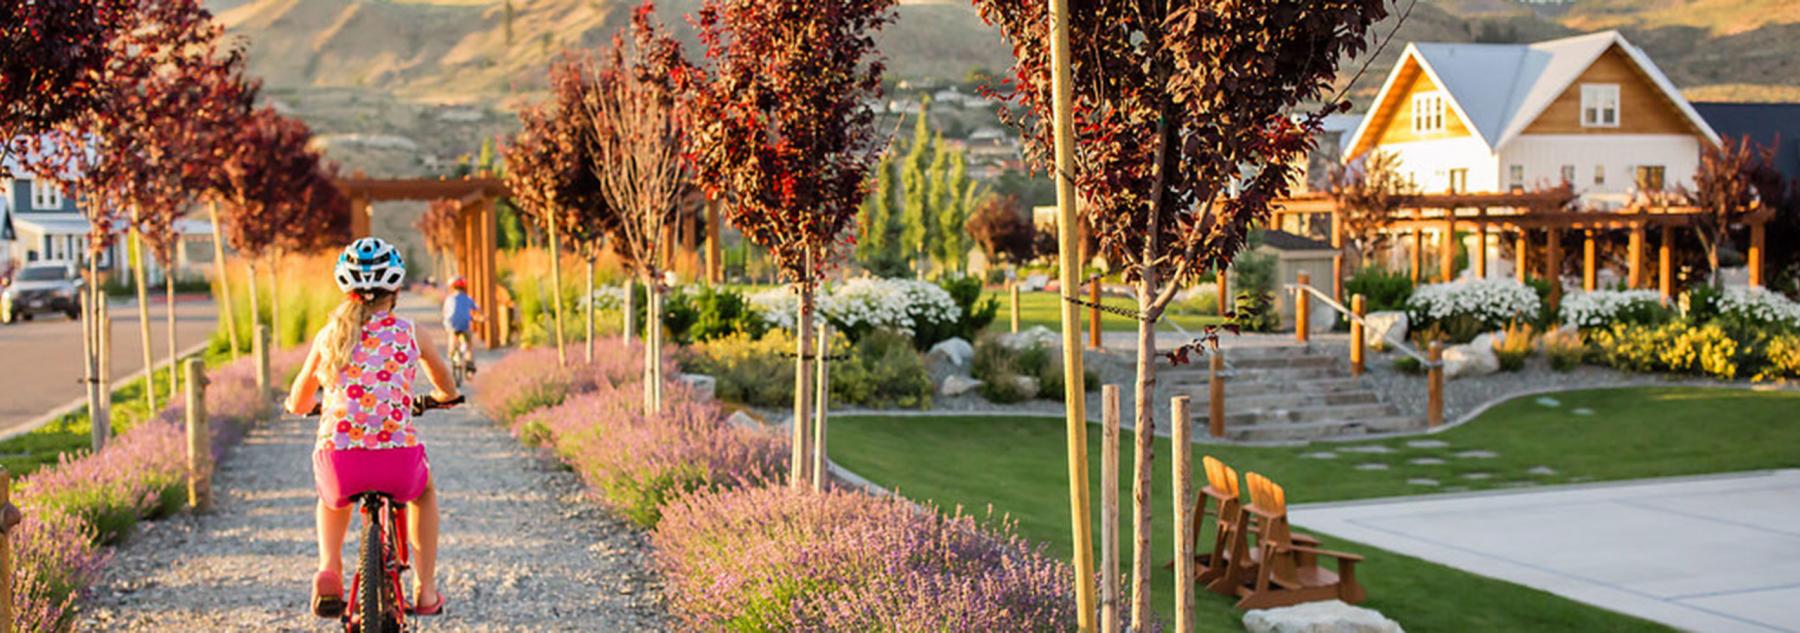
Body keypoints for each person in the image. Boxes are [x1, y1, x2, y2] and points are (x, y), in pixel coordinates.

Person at [286, 237, 455, 618]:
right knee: (425, 493)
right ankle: (425, 591)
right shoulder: (410, 332)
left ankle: (329, 567)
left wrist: (308, 406)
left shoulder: (329, 335)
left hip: (340, 466)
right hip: (397, 463)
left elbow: (298, 400)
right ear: (395, 288)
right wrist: (444, 397)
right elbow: (446, 385)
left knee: (331, 498)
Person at [441, 276, 481, 374]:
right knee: (469, 343)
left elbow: (445, 312)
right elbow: (477, 309)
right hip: (464, 324)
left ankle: (451, 352)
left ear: (451, 287)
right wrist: (478, 318)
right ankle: (469, 362)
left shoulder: (449, 299)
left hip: (451, 324)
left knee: (451, 335)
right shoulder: (468, 298)